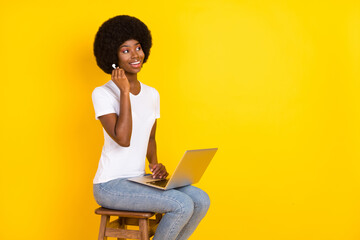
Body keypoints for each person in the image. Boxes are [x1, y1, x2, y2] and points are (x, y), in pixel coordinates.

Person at [91, 15, 210, 240]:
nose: (135, 54)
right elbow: (123, 138)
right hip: (110, 185)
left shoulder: (151, 93)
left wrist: (155, 165)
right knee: (181, 205)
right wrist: (124, 91)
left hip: (140, 179)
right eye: (125, 50)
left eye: (138, 47)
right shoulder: (103, 93)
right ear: (112, 57)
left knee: (201, 200)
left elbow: (150, 137)